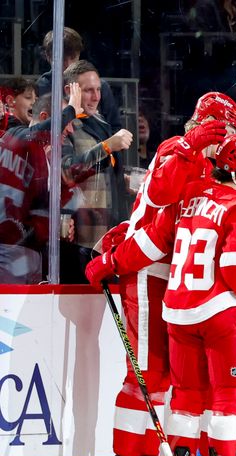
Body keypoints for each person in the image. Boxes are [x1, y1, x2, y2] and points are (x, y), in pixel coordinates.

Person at [85, 134, 236, 456]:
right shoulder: (235, 196)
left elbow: (154, 236)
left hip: (176, 304)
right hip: (210, 303)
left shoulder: (193, 192)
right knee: (221, 393)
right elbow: (232, 264)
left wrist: (112, 260)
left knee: (179, 392)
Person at [60, 60, 134, 282]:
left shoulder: (100, 121)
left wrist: (123, 181)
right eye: (88, 90)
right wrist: (107, 146)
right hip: (82, 241)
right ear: (69, 91)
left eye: (98, 90)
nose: (96, 97)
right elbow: (67, 172)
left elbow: (101, 171)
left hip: (109, 239)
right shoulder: (64, 125)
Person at [0, 85, 82, 284]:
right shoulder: (16, 137)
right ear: (46, 118)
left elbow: (38, 211)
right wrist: (71, 108)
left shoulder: (46, 158)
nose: (70, 129)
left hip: (32, 255)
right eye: (67, 122)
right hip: (6, 254)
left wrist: (62, 222)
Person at [36, 27, 122, 132]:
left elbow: (115, 128)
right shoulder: (42, 86)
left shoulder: (99, 86)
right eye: (62, 59)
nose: (68, 65)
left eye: (72, 58)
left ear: (79, 55)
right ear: (48, 56)